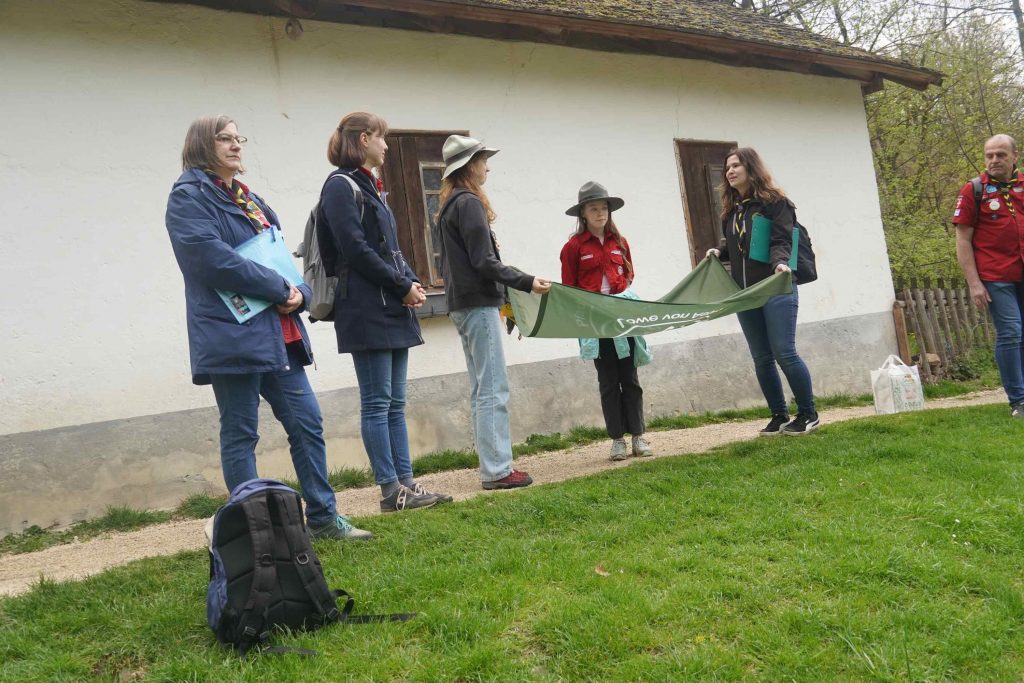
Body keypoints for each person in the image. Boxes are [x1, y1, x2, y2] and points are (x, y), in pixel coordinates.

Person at [165, 115, 371, 540]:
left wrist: (301, 293)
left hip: (280, 334)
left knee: (307, 423)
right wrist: (279, 288)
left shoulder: (249, 199)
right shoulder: (188, 198)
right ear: (201, 145)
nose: (236, 145)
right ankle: (255, 531)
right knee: (242, 432)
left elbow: (277, 255)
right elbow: (211, 260)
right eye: (224, 138)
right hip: (232, 335)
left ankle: (323, 518)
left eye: (238, 137)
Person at [318, 112, 452, 510]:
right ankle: (391, 492)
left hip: (389, 304)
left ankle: (407, 485)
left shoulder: (370, 186)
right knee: (377, 403)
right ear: (363, 139)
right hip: (365, 308)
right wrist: (400, 285)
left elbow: (389, 249)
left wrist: (411, 282)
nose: (386, 145)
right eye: (381, 137)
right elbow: (355, 250)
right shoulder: (339, 186)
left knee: (395, 403)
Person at [437, 135, 552, 489]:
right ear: (469, 165)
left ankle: (493, 466)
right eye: (483, 159)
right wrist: (527, 281)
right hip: (478, 305)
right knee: (493, 389)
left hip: (462, 305)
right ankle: (498, 470)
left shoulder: (450, 204)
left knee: (480, 389)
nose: (487, 166)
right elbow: (484, 262)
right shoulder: (469, 203)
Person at [707, 147, 819, 436]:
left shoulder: (776, 203)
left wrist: (781, 263)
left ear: (751, 168)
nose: (729, 171)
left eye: (736, 166)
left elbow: (781, 239)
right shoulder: (732, 210)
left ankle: (808, 414)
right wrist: (719, 251)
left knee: (784, 352)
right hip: (746, 294)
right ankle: (779, 415)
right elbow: (736, 246)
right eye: (727, 167)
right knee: (761, 357)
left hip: (776, 285)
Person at [559, 181, 654, 461]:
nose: (600, 213)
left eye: (604, 208)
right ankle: (617, 440)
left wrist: (620, 298)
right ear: (583, 214)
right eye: (593, 209)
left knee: (631, 378)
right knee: (609, 381)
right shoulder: (573, 247)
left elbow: (629, 275)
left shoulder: (620, 243)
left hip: (621, 318)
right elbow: (569, 286)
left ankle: (638, 436)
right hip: (595, 323)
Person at [952, 134, 1024, 417]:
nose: (994, 160)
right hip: (995, 275)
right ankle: (1018, 400)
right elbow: (962, 240)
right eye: (989, 155)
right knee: (1011, 332)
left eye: (1000, 155)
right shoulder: (974, 190)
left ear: (1014, 156)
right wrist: (974, 283)